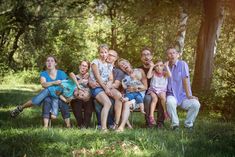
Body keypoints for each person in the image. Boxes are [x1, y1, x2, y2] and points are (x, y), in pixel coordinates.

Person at [10, 56, 71, 128]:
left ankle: (20, 108)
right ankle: (21, 109)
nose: (49, 63)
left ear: (55, 63)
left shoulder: (61, 73)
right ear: (45, 63)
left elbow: (67, 86)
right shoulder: (44, 74)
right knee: (46, 92)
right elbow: (44, 84)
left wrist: (58, 89)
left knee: (46, 92)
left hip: (59, 94)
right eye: (48, 61)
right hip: (48, 95)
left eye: (52, 61)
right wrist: (54, 82)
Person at [166, 47, 200, 130]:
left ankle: (188, 124)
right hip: (171, 94)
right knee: (170, 102)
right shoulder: (165, 67)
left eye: (174, 52)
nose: (172, 55)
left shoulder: (182, 64)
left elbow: (185, 80)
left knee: (196, 104)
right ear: (167, 56)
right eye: (170, 53)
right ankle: (175, 125)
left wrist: (189, 95)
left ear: (178, 55)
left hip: (183, 96)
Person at [89, 44, 120, 131]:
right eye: (101, 52)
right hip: (96, 87)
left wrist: (108, 86)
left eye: (105, 52)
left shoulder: (109, 65)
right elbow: (98, 78)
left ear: (107, 53)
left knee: (119, 96)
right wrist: (106, 88)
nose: (104, 54)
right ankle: (103, 128)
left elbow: (111, 78)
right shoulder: (95, 62)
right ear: (99, 53)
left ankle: (116, 124)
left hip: (105, 86)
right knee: (108, 103)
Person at [117, 59, 147, 132]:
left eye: (124, 63)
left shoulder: (139, 71)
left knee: (126, 104)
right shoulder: (123, 77)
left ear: (128, 62)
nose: (123, 66)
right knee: (121, 102)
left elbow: (145, 87)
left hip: (137, 96)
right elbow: (124, 89)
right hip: (128, 95)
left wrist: (135, 88)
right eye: (121, 66)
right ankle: (128, 125)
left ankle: (121, 127)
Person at [138, 47, 165, 128]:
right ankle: (149, 123)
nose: (146, 57)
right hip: (146, 93)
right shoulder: (139, 69)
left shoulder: (157, 68)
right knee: (147, 98)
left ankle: (160, 123)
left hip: (159, 91)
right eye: (144, 55)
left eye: (148, 54)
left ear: (151, 56)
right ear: (141, 58)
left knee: (162, 98)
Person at [147, 60, 171, 125]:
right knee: (155, 99)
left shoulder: (165, 73)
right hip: (153, 90)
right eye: (157, 66)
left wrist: (166, 66)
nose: (159, 67)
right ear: (155, 67)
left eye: (161, 65)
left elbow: (170, 75)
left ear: (163, 67)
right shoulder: (153, 72)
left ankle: (165, 112)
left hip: (162, 90)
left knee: (163, 98)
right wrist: (151, 67)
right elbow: (148, 76)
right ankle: (151, 116)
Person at [70, 61, 94, 128]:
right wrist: (81, 79)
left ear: (87, 69)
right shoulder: (74, 77)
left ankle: (85, 125)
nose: (83, 67)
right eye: (82, 65)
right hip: (76, 97)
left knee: (89, 104)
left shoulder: (89, 77)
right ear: (79, 66)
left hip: (87, 97)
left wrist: (88, 78)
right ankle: (80, 124)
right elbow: (70, 87)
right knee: (77, 104)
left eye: (85, 66)